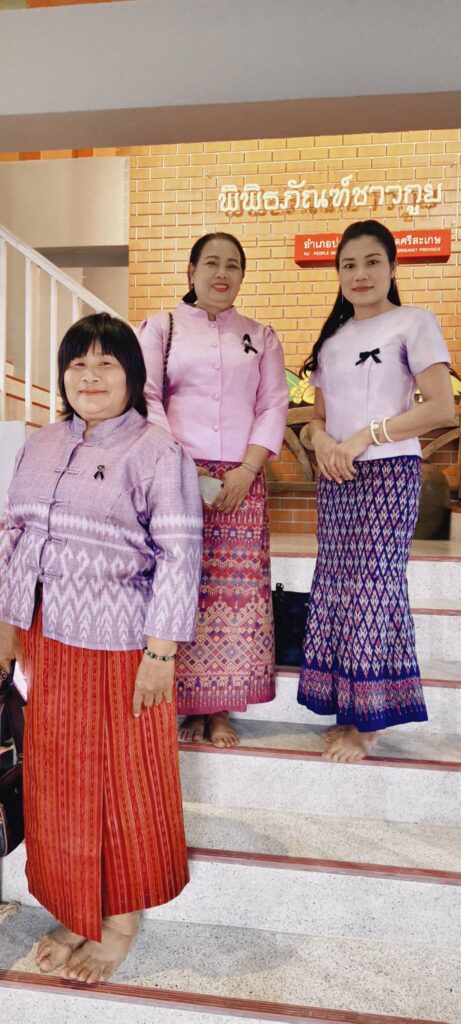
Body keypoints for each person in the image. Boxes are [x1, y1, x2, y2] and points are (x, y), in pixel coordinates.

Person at [0, 313, 203, 983]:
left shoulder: (155, 451)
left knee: (122, 781)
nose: (89, 376)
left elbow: (180, 555)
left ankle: (119, 921)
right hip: (45, 640)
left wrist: (162, 652)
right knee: (57, 778)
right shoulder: (40, 444)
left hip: (122, 644)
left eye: (106, 363)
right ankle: (73, 909)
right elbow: (12, 534)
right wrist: (4, 622)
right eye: (78, 364)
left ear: (132, 376)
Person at [298, 220, 454, 763]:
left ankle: (371, 722)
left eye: (371, 262)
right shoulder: (333, 340)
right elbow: (318, 418)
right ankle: (350, 709)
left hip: (389, 474)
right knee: (338, 590)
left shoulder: (414, 322)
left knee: (373, 590)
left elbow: (441, 407)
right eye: (349, 264)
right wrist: (321, 441)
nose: (360, 274)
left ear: (392, 266)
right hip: (336, 478)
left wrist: (365, 437)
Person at [138, 232, 288, 747]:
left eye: (232, 265)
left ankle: (221, 708)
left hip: (242, 479)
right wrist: (178, 464)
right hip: (175, 473)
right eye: (211, 263)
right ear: (191, 271)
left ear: (242, 275)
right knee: (180, 586)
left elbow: (273, 404)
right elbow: (146, 395)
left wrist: (247, 470)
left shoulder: (261, 336)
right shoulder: (162, 327)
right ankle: (180, 702)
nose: (222, 274)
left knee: (234, 595)